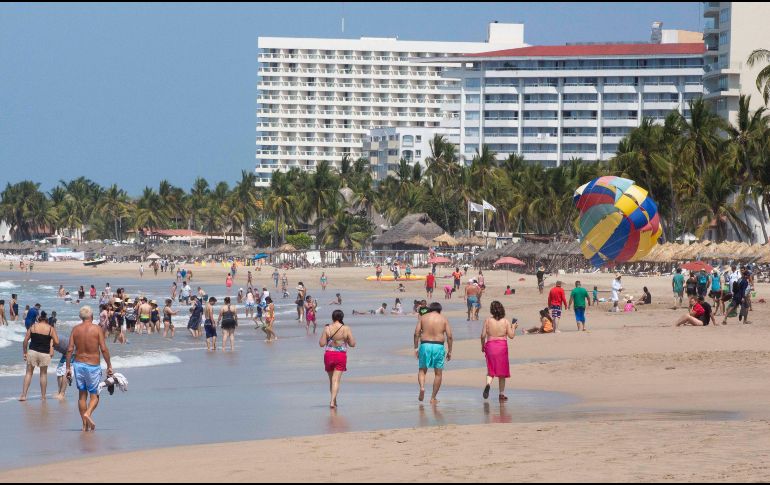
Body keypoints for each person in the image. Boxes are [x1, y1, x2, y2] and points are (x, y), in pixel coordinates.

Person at [66, 306, 113, 432]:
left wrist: (68, 368)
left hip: (78, 365)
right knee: (94, 396)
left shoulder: (75, 330)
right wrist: (109, 365)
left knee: (82, 396)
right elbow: (103, 349)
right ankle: (88, 414)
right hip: (93, 366)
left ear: (81, 317)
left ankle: (84, 425)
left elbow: (70, 349)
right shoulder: (97, 329)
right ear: (91, 316)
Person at [414, 302, 453, 404]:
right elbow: (449, 336)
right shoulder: (443, 319)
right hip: (438, 346)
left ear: (430, 309)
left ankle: (422, 387)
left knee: (422, 370)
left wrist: (415, 348)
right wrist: (450, 351)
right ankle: (433, 398)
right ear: (440, 310)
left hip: (425, 345)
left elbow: (416, 333)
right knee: (438, 373)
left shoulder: (423, 318)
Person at [480, 301, 516, 401]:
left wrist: (483, 346)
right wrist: (513, 327)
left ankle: (488, 384)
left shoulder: (488, 320)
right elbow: (511, 336)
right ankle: (501, 394)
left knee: (491, 370)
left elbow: (482, 336)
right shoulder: (505, 321)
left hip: (490, 346)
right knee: (502, 372)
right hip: (502, 347)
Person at [20, 311, 60, 401]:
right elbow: (57, 342)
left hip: (32, 351)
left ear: (39, 319)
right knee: (43, 374)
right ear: (46, 320)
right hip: (44, 353)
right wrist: (51, 346)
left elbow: (25, 340)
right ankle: (43, 397)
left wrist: (24, 352)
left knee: (29, 373)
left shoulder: (33, 326)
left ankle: (23, 395)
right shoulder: (50, 328)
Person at [320, 309, 356, 409]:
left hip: (329, 355)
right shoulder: (346, 328)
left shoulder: (327, 328)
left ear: (332, 317)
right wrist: (346, 339)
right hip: (340, 355)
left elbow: (321, 344)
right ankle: (332, 401)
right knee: (336, 380)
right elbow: (353, 344)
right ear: (342, 317)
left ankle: (333, 400)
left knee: (332, 380)